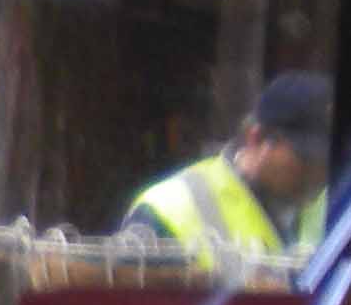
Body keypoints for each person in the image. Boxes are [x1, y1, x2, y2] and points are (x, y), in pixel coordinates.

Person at [126, 68, 332, 276]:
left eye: (328, 162)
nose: (318, 173)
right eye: (305, 159)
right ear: (257, 138)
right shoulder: (169, 206)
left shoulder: (334, 205)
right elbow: (133, 299)